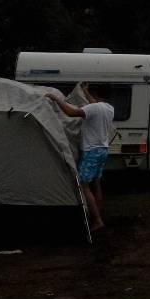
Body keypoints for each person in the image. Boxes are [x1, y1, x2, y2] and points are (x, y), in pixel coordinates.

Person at [47, 82, 115, 232]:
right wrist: (85, 91)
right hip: (103, 150)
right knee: (96, 183)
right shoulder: (109, 108)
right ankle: (97, 213)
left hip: (91, 152)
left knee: (84, 186)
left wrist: (57, 100)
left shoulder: (94, 108)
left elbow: (71, 113)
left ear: (96, 94)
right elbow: (94, 104)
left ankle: (97, 220)